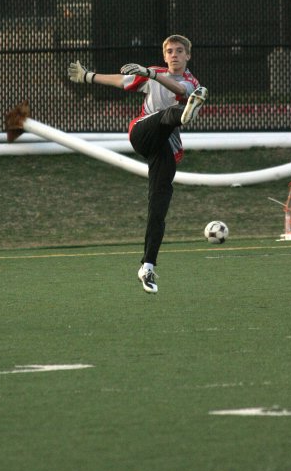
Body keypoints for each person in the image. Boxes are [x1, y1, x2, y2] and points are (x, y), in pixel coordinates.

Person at [68, 34, 207, 294]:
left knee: (158, 207)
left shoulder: (191, 83)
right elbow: (122, 80)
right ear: (164, 56)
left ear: (188, 56)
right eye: (170, 51)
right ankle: (185, 115)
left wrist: (152, 75)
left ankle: (148, 267)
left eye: (179, 51)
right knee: (168, 115)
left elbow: (180, 90)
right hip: (142, 133)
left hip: (165, 150)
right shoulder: (153, 74)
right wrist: (89, 76)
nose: (174, 55)